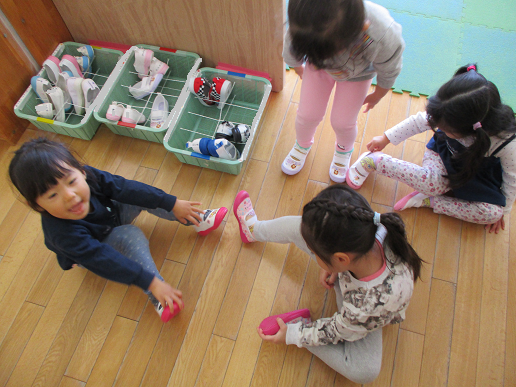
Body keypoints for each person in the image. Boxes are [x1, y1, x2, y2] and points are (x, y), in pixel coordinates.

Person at [8, 138, 228, 321]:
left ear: (81, 171)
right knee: (129, 235)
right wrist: (150, 281)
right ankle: (157, 296)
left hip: (110, 215)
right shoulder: (62, 234)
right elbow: (102, 258)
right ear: (37, 206)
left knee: (138, 196)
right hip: (94, 247)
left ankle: (197, 219)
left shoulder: (90, 176)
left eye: (71, 181)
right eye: (52, 195)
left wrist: (171, 202)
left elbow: (126, 188)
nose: (70, 196)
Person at [233, 185, 422, 383]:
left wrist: (293, 335)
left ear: (341, 258)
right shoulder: (375, 228)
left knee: (364, 371)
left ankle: (300, 324)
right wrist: (333, 266)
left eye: (316, 254)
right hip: (354, 279)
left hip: (365, 312)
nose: (312, 254)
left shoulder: (363, 309)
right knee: (306, 228)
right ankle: (253, 229)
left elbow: (335, 331)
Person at [346, 64, 516, 233]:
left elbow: (512, 179)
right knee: (431, 183)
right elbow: (418, 121)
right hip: (444, 156)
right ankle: (374, 161)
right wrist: (386, 138)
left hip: (479, 174)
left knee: (493, 213)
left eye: (447, 130)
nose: (438, 128)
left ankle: (429, 201)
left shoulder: (507, 141)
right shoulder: (448, 110)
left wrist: (505, 210)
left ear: (469, 129)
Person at [281, 0, 405, 183]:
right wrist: (298, 67)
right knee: (307, 115)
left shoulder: (382, 33)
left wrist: (378, 94)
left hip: (357, 76)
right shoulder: (305, 17)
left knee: (343, 122)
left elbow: (390, 68)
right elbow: (292, 44)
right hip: (317, 67)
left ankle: (344, 149)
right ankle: (302, 144)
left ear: (361, 27)